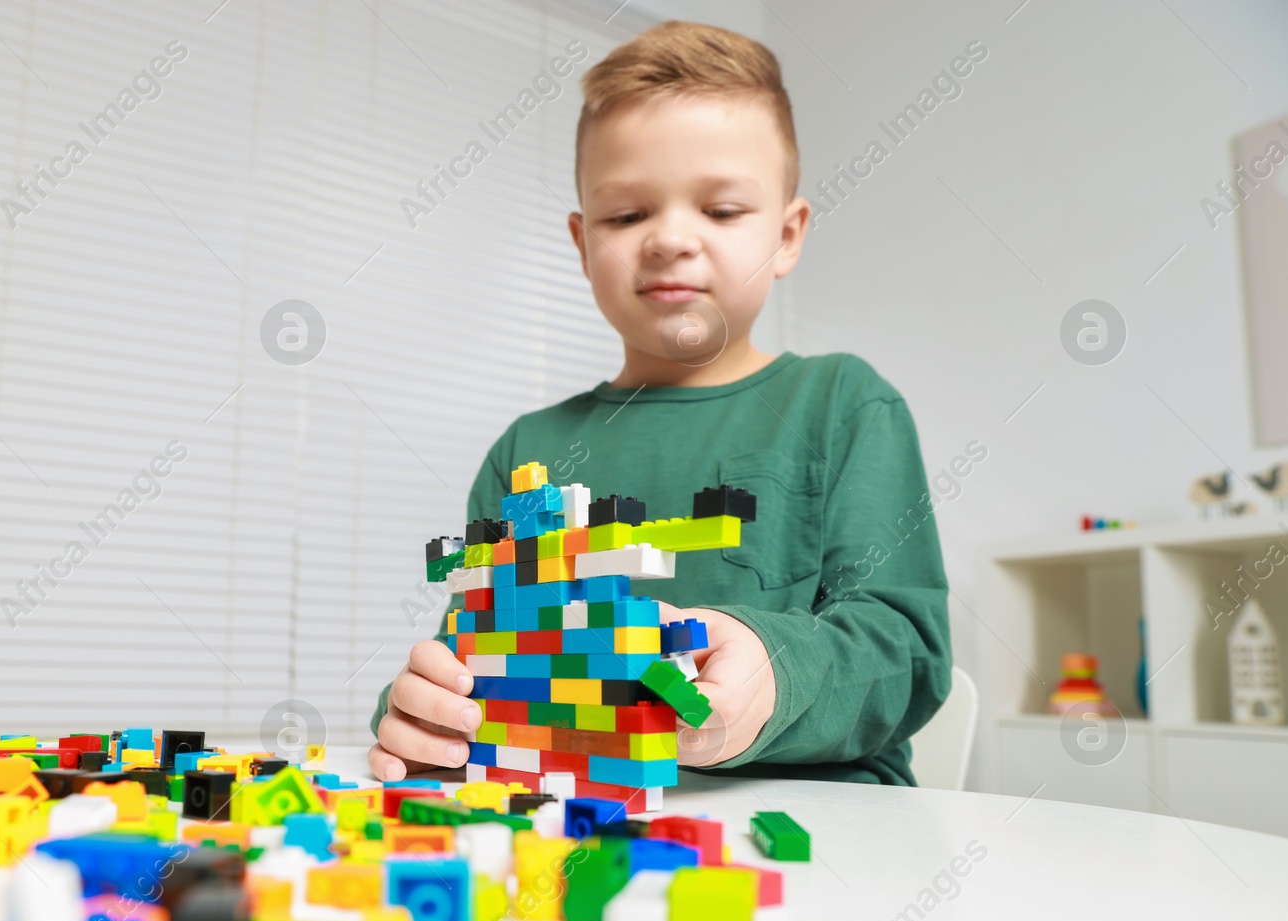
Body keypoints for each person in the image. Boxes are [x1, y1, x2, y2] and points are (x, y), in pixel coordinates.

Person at [368, 21, 951, 787]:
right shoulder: (528, 450)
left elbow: (904, 647)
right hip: (567, 817)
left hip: (824, 822)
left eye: (721, 210)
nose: (671, 238)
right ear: (582, 244)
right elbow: (475, 656)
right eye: (627, 215)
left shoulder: (845, 405)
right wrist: (423, 712)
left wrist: (776, 677)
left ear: (787, 234)